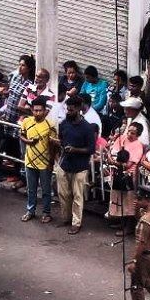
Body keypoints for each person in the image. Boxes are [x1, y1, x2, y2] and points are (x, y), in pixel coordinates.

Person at [53, 96, 97, 234]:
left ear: (78, 109)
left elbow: (91, 149)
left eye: (71, 110)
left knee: (77, 196)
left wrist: (75, 150)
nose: (68, 111)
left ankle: (76, 223)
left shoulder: (87, 128)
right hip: (64, 164)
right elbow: (61, 140)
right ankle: (66, 218)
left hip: (80, 167)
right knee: (63, 193)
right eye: (67, 109)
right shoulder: (64, 123)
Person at [20, 97, 57, 223]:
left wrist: (51, 162)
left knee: (46, 190)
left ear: (45, 111)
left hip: (45, 163)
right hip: (30, 161)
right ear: (32, 110)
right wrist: (28, 141)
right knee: (31, 189)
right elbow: (21, 135)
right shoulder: (26, 121)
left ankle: (46, 213)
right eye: (35, 110)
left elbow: (53, 146)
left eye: (40, 110)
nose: (38, 113)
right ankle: (30, 211)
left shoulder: (50, 125)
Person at [105, 122, 145, 227]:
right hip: (117, 174)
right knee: (118, 199)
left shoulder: (138, 146)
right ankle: (121, 223)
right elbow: (111, 151)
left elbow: (128, 165)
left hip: (129, 177)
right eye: (128, 131)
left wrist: (113, 162)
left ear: (138, 135)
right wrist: (110, 157)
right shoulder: (122, 138)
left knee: (128, 201)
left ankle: (128, 226)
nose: (129, 134)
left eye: (133, 133)